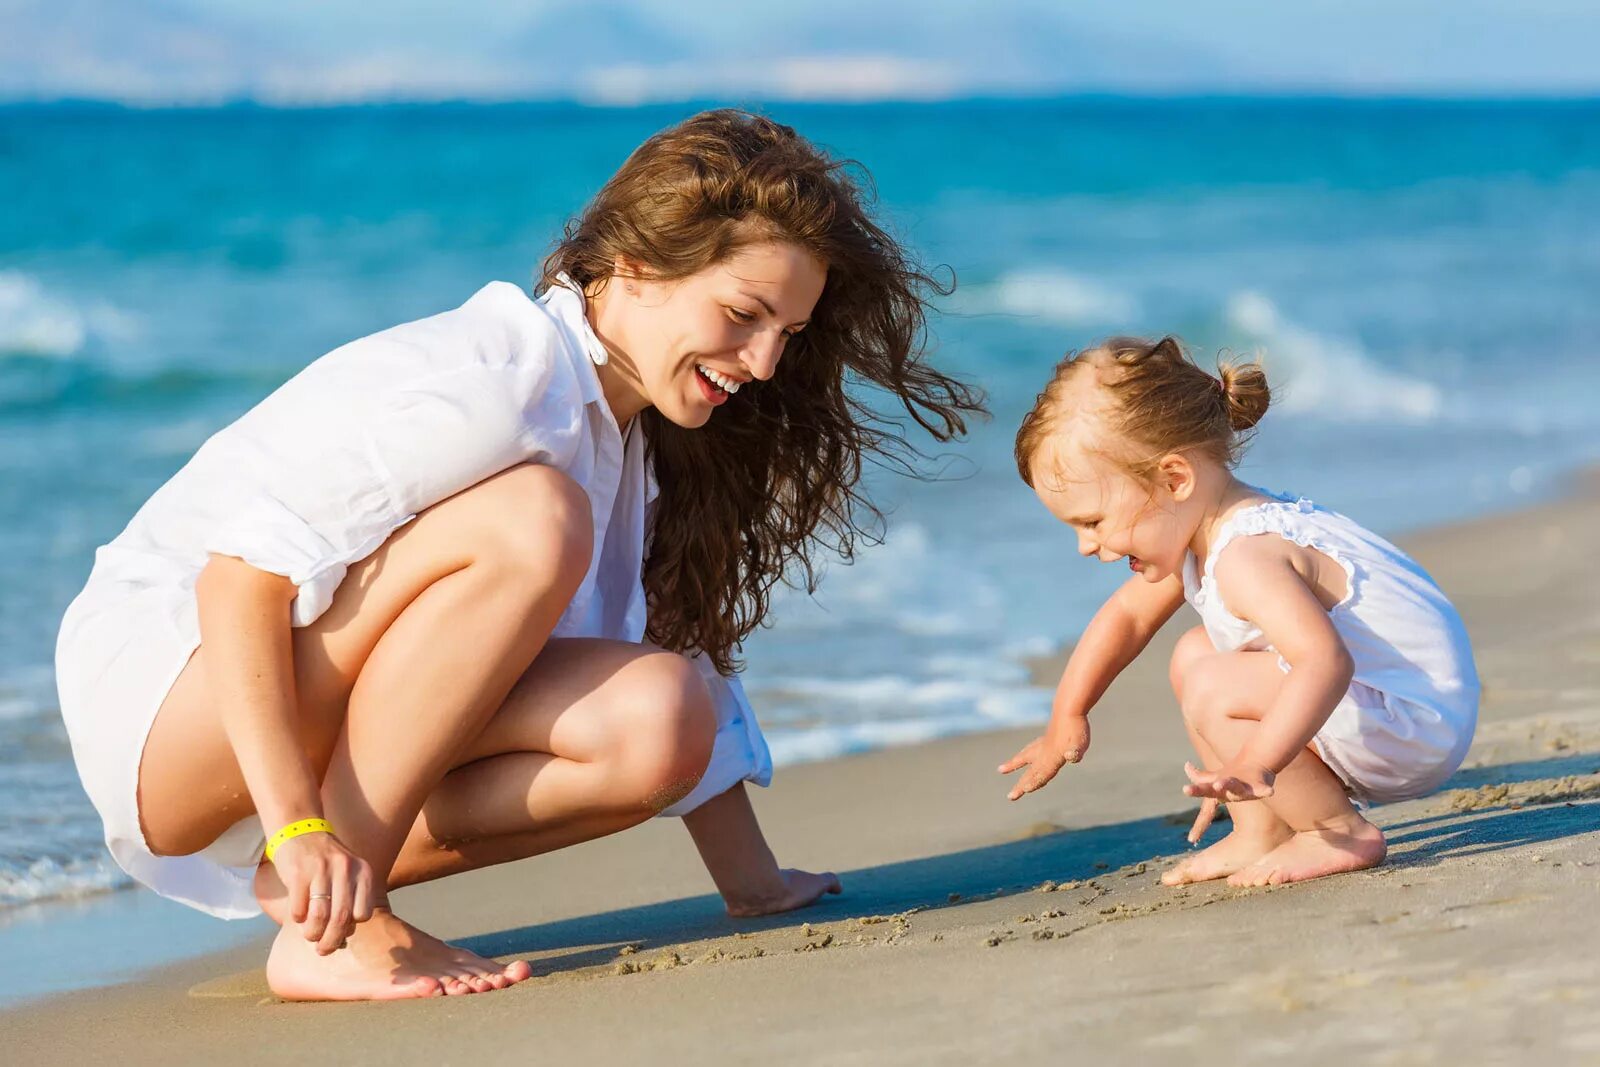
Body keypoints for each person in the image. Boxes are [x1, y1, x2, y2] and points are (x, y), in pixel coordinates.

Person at [54, 109, 984, 1001]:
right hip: (168, 702)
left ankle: (309, 887)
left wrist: (754, 882)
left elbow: (681, 637)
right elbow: (239, 581)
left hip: (290, 721)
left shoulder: (642, 436)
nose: (765, 361)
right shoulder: (497, 385)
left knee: (663, 713)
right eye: (743, 313)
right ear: (633, 263)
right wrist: (298, 821)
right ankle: (337, 925)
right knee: (536, 519)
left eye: (789, 332)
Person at [999, 336, 1478, 887]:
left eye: (1093, 521)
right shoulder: (1204, 530)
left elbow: (1325, 662)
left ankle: (1335, 830)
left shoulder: (1247, 556)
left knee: (1216, 686)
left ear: (1175, 479)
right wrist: (1068, 713)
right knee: (1194, 654)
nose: (1087, 546)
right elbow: (1127, 619)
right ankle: (1263, 830)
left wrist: (1259, 760)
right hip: (1389, 710)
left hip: (1410, 725)